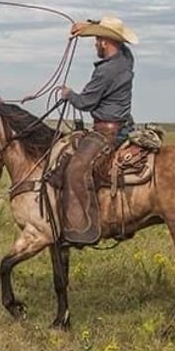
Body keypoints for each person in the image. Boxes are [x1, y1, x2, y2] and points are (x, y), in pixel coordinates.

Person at [58, 15, 139, 245]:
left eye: (96, 39)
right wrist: (89, 26)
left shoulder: (106, 71)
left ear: (105, 42)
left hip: (107, 132)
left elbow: (86, 103)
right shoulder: (126, 57)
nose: (94, 44)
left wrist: (68, 94)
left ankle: (82, 229)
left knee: (75, 169)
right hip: (125, 126)